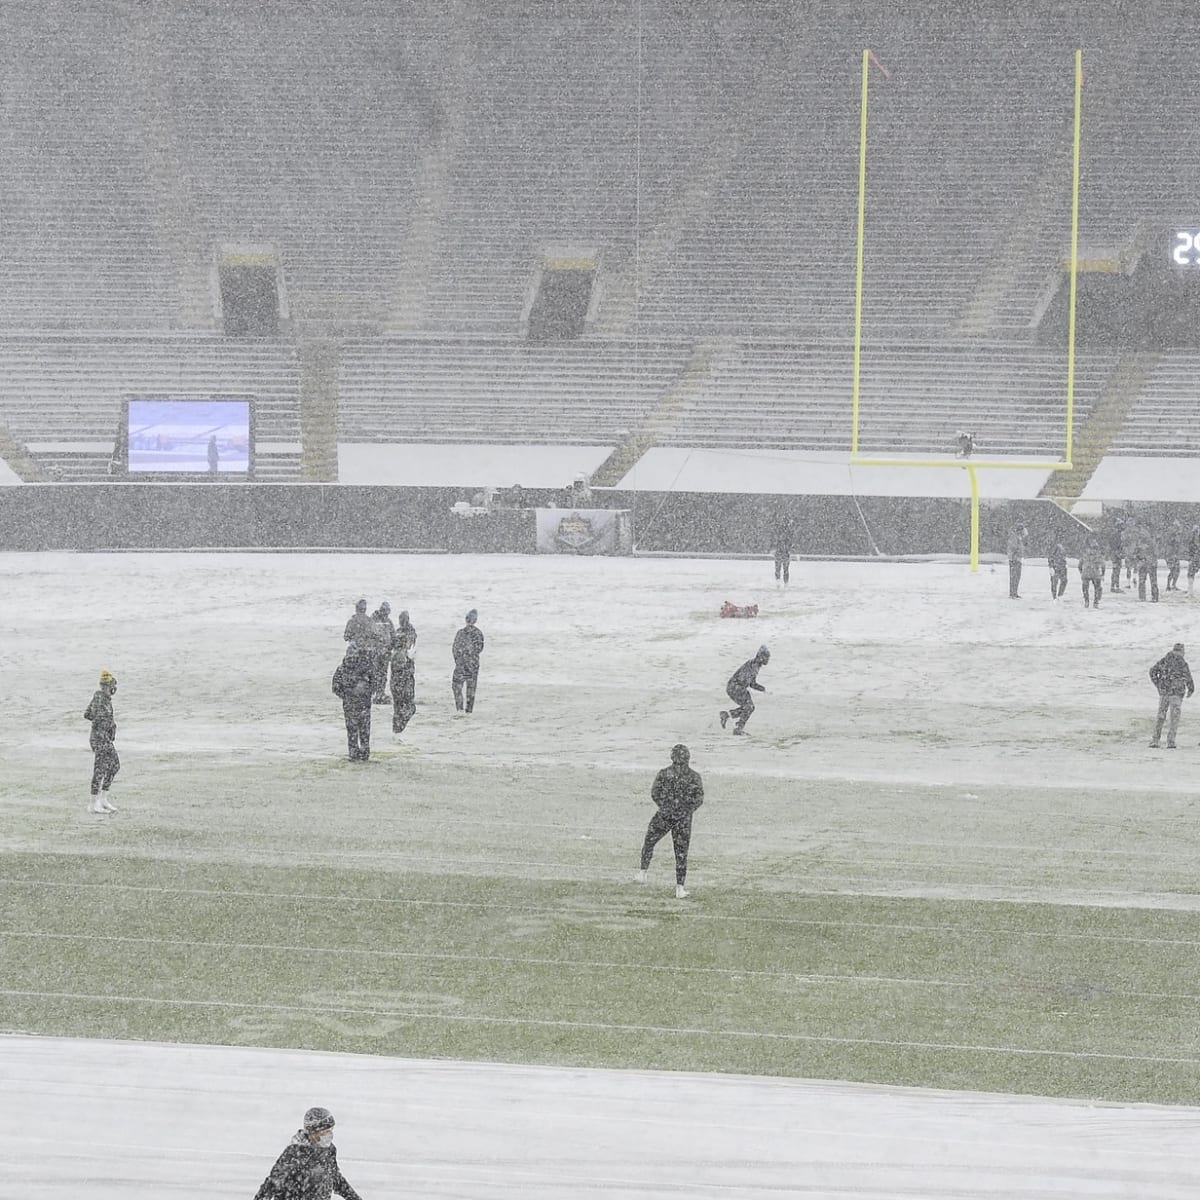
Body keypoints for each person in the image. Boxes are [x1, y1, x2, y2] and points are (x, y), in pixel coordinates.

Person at [254, 1106, 364, 1200]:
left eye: (331, 1130)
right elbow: (271, 1184)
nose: (329, 1135)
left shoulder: (329, 1151)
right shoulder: (294, 1154)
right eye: (325, 1132)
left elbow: (335, 1178)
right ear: (313, 1132)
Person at [638, 744, 704, 899]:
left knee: (649, 842)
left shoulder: (664, 773)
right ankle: (680, 888)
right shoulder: (694, 776)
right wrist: (686, 810)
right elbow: (699, 798)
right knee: (681, 853)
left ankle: (642, 872)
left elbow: (655, 793)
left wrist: (666, 806)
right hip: (683, 819)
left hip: (665, 815)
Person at [84, 669, 120, 813]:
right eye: (111, 686)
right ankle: (93, 804)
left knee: (114, 766)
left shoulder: (103, 699)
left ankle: (103, 799)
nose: (113, 689)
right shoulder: (100, 698)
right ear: (106, 686)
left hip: (104, 739)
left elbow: (87, 714)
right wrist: (103, 725)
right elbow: (91, 715)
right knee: (100, 769)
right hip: (99, 739)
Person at [332, 641, 373, 761]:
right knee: (364, 731)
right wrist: (367, 695)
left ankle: (354, 754)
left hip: (350, 706)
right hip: (363, 705)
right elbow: (374, 684)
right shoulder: (365, 668)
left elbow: (335, 687)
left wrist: (346, 696)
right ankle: (364, 754)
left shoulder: (342, 669)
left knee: (352, 732)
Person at [1149, 642, 1194, 749]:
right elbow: (1188, 677)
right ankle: (1171, 741)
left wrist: (1159, 684)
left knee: (1161, 716)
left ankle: (1155, 740)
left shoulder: (1164, 660)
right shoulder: (1182, 662)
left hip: (1165, 692)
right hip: (1176, 693)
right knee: (1174, 718)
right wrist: (1191, 689)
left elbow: (1152, 671)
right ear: (1182, 651)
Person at [719, 645, 770, 735]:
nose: (768, 659)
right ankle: (738, 728)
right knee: (749, 707)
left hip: (735, 686)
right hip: (736, 687)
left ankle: (728, 716)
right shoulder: (753, 665)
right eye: (766, 657)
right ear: (761, 657)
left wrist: (761, 688)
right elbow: (747, 681)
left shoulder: (755, 665)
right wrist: (760, 688)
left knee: (749, 708)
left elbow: (751, 683)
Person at [452, 609, 485, 714]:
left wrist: (458, 660)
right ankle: (469, 711)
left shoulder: (460, 633)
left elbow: (455, 649)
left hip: (461, 664)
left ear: (466, 620)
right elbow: (480, 648)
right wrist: (472, 658)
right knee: (471, 689)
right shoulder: (478, 633)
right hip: (473, 665)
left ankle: (459, 708)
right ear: (475, 620)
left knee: (456, 686)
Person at [390, 610, 418, 734]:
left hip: (397, 677)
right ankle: (399, 728)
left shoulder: (398, 633)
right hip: (404, 676)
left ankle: (397, 730)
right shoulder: (408, 633)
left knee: (398, 706)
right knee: (408, 706)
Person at [366, 601, 396, 703]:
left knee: (383, 674)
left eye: (387, 612)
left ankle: (380, 693)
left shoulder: (388, 621)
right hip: (375, 653)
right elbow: (369, 636)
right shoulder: (373, 620)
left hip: (385, 653)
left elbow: (393, 636)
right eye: (384, 611)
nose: (386, 614)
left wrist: (390, 648)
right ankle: (374, 694)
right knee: (374, 674)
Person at [1134, 523, 1160, 603]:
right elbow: (1136, 553)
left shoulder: (1150, 542)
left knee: (1149, 581)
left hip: (1147, 563)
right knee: (1148, 581)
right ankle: (1149, 597)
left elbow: (1155, 552)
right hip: (1145, 563)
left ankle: (1150, 597)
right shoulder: (1141, 542)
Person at [1079, 537, 1104, 608]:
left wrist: (1081, 572)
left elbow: (1079, 565)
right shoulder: (1098, 555)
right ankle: (1096, 602)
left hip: (1086, 573)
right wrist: (1102, 573)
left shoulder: (1084, 554)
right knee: (1097, 588)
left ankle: (1086, 601)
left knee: (1085, 588)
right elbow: (1103, 565)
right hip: (1095, 573)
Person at [771, 509, 794, 587]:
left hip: (781, 552)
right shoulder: (788, 532)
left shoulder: (780, 532)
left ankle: (780, 582)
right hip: (784, 552)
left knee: (779, 568)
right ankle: (784, 583)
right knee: (785, 569)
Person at [1006, 522, 1027, 599]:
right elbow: (1014, 548)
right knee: (1014, 577)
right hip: (1015, 560)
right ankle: (1013, 593)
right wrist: (1016, 556)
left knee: (1016, 577)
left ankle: (1014, 593)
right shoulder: (1015, 537)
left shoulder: (1018, 537)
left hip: (1016, 559)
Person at [1107, 511, 1126, 593]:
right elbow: (1116, 545)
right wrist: (1119, 553)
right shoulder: (1117, 534)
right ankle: (1115, 586)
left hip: (1115, 554)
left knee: (1115, 570)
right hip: (1116, 554)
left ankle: (1114, 586)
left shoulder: (1114, 534)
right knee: (1116, 570)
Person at [1165, 518, 1184, 591]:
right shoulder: (1172, 537)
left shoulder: (1174, 537)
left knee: (1176, 570)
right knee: (1173, 570)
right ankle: (1169, 585)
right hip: (1171, 555)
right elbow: (1171, 546)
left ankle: (1172, 585)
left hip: (1173, 555)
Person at [1188, 524, 1200, 596]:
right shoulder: (1193, 540)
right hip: (1195, 556)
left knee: (1191, 573)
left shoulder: (1193, 540)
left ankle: (1190, 591)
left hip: (1195, 557)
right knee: (1191, 573)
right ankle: (1190, 590)